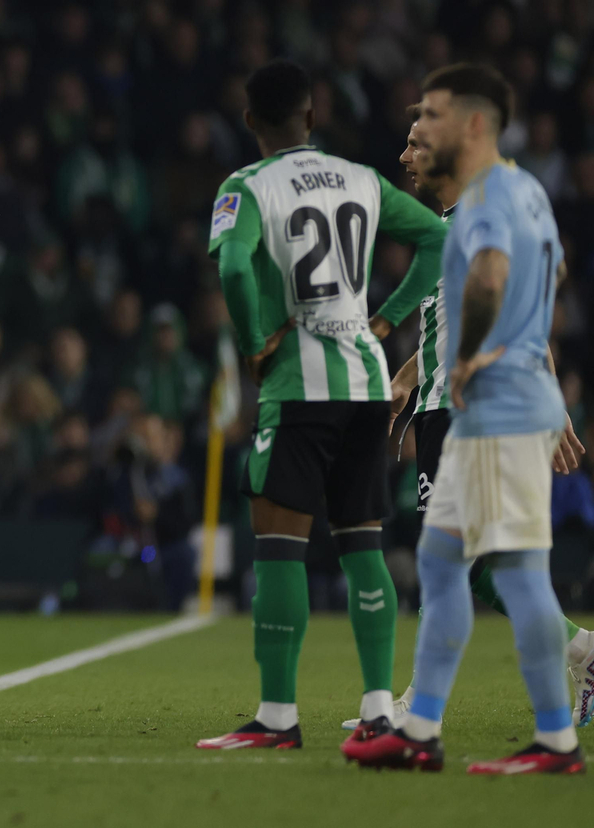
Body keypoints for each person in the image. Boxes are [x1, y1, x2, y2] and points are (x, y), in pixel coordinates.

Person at [195, 60, 449, 750]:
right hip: (367, 383)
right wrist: (388, 322)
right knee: (362, 545)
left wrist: (253, 343)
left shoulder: (246, 186)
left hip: (299, 386)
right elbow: (438, 238)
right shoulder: (361, 178)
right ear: (312, 116)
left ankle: (277, 717)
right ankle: (377, 709)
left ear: (251, 123)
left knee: (279, 549)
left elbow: (232, 265)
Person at [345, 64, 586, 774]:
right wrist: (415, 373)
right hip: (477, 405)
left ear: (473, 126)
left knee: (473, 568)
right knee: (471, 567)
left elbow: (498, 290)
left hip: (480, 410)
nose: (412, 143)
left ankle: (429, 725)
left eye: (431, 122)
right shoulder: (515, 197)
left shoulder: (486, 200)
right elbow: (535, 288)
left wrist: (480, 366)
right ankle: (442, 725)